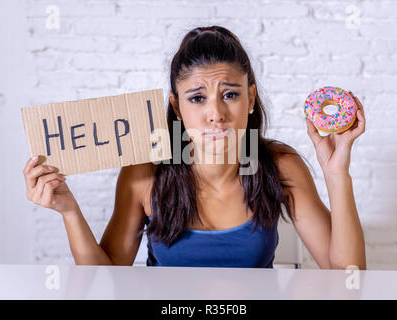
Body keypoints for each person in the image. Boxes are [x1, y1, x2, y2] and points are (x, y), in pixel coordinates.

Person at [23, 26, 366, 269]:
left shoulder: (281, 166)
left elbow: (347, 277)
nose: (215, 114)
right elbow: (105, 274)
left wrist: (337, 174)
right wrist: (69, 210)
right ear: (176, 105)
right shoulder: (144, 173)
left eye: (229, 94)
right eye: (197, 98)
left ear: (250, 98)